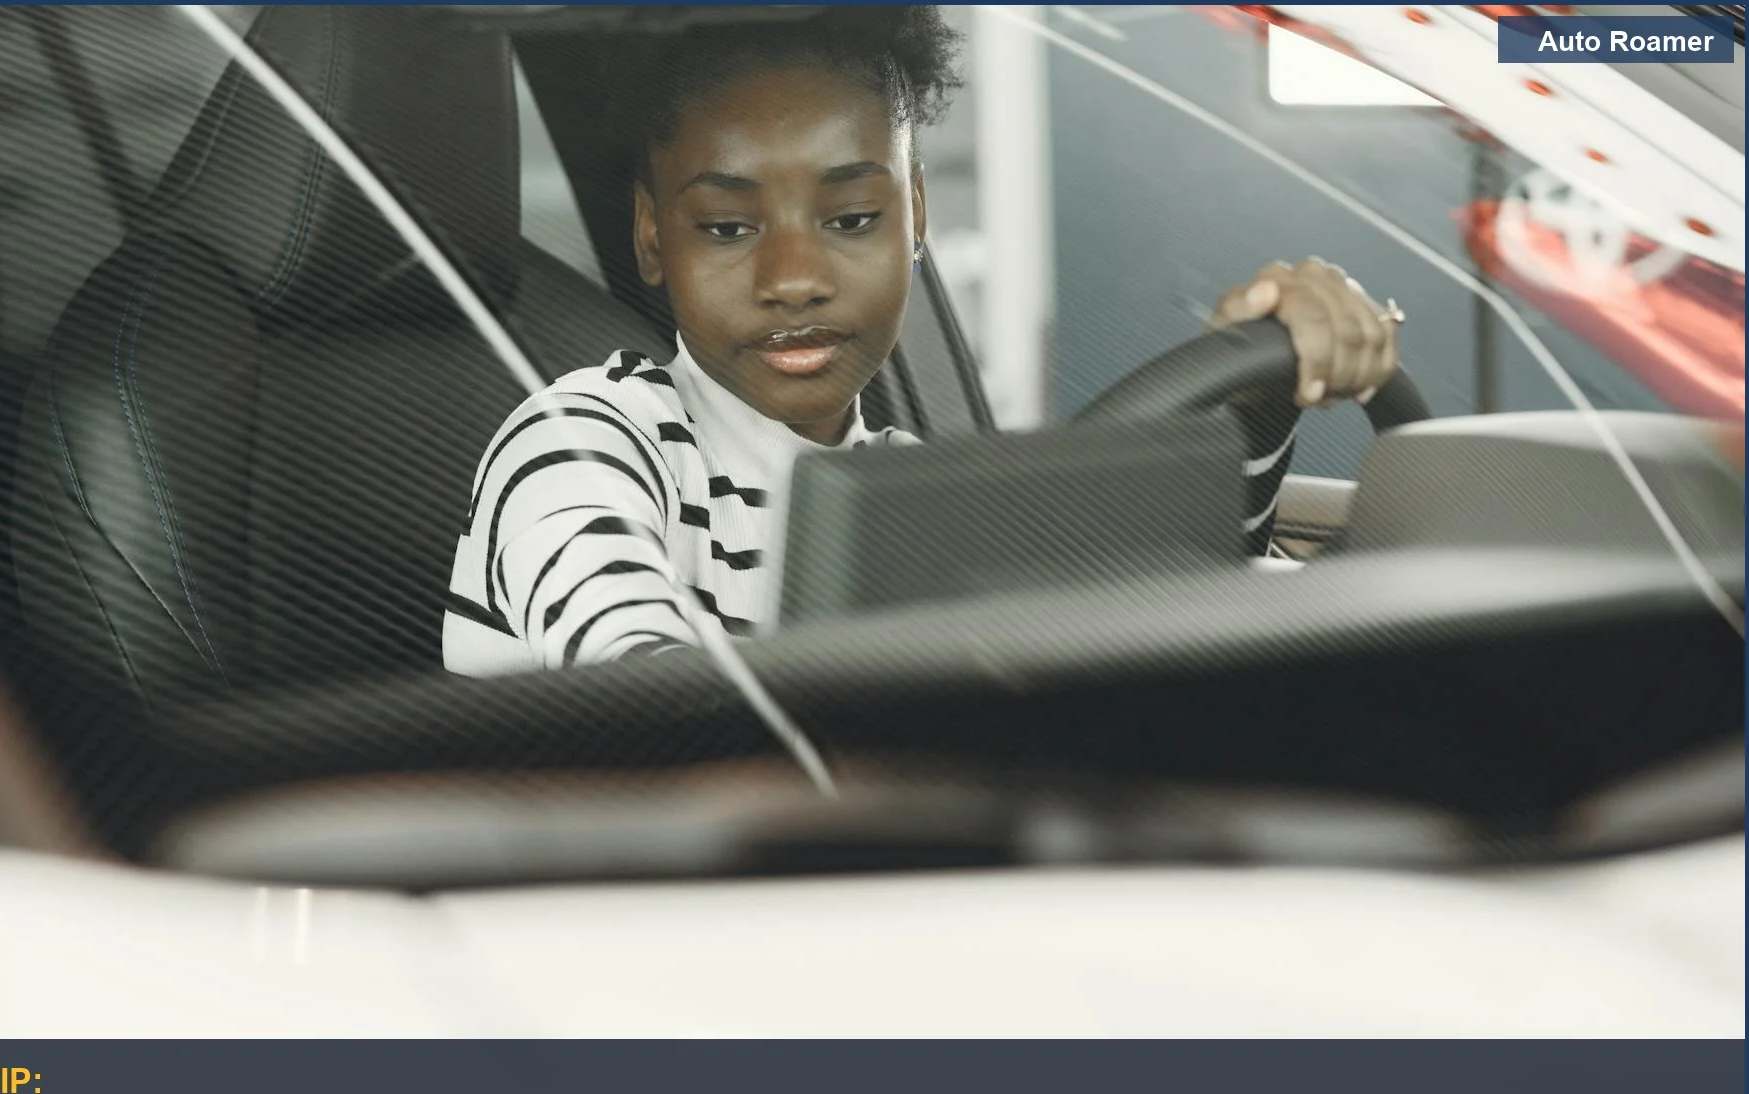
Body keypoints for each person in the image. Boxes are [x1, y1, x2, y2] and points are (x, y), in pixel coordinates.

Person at [443, 6, 1400, 676]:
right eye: (727, 228)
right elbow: (654, 701)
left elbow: (1153, 628)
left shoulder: (909, 486)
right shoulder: (583, 441)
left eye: (853, 217)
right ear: (653, 238)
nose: (793, 278)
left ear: (917, 216)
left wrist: (1258, 397)